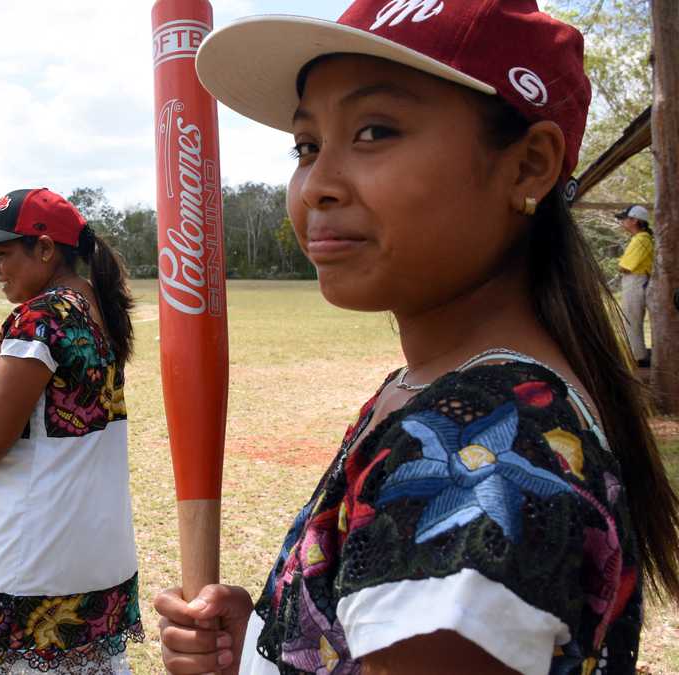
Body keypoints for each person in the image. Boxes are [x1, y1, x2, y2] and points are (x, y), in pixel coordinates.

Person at [155, 2, 679, 674]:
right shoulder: (440, 391)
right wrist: (264, 643)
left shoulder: (482, 450)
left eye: (374, 131)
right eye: (308, 145)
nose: (317, 184)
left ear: (528, 167)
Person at [0, 188, 142, 674]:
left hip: (36, 553)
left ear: (46, 250)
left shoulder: (37, 318)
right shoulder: (99, 310)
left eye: (4, 254)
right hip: (101, 551)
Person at [614, 205, 653, 367]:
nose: (622, 222)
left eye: (624, 218)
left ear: (635, 220)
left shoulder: (641, 239)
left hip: (636, 280)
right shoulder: (642, 239)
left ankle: (637, 357)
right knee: (632, 319)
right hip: (638, 280)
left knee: (632, 320)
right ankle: (638, 354)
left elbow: (625, 266)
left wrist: (620, 265)